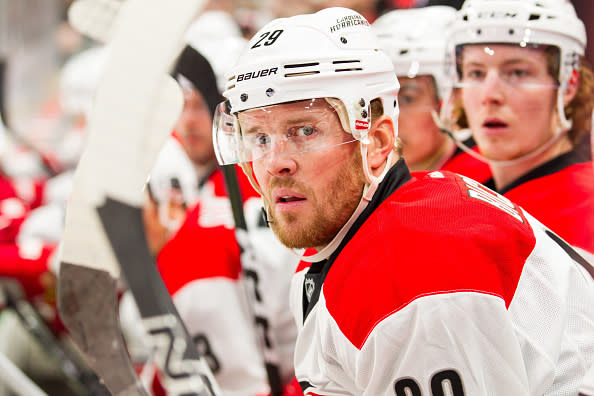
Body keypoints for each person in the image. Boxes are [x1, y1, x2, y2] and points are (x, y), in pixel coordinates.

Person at [212, 6, 594, 394]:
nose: (275, 163)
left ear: (376, 142)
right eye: (259, 137)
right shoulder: (346, 237)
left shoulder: (412, 267)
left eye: (306, 130)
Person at [140, 44, 302, 396]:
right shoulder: (172, 165)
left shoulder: (260, 181)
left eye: (200, 106)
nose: (188, 121)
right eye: (181, 106)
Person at [444, 0, 594, 254]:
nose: (489, 95)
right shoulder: (456, 193)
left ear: (569, 84)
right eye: (476, 73)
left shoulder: (586, 211)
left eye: (517, 72)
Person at [372, 6, 491, 182]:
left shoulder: (487, 183)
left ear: (452, 100)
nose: (386, 117)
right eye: (374, 101)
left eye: (406, 98)